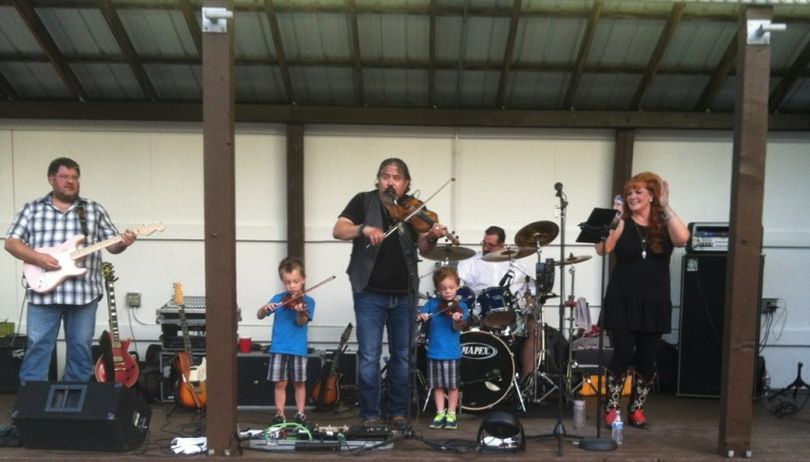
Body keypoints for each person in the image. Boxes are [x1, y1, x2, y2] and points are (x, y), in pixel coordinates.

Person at [332, 158, 447, 430]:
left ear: (406, 183)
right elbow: (338, 229)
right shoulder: (363, 201)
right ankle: (370, 414)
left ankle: (398, 413)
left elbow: (425, 249)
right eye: (385, 176)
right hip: (369, 291)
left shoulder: (413, 209)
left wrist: (431, 236)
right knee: (370, 355)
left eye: (397, 177)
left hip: (404, 293)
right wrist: (363, 229)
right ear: (378, 179)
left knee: (403, 356)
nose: (390, 181)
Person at [4, 157, 138, 383]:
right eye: (64, 177)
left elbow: (113, 246)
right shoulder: (32, 209)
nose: (70, 182)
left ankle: (76, 400)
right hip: (43, 291)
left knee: (81, 347)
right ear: (51, 179)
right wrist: (39, 258)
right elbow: (11, 243)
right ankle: (32, 403)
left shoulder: (93, 210)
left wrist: (123, 242)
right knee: (38, 345)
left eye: (75, 177)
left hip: (83, 293)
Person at [595, 172, 689, 429]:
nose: (633, 197)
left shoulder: (663, 225)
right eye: (629, 193)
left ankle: (636, 409)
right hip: (623, 300)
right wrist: (614, 220)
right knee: (623, 353)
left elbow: (682, 239)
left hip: (654, 301)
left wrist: (666, 206)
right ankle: (612, 408)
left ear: (651, 195)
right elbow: (603, 248)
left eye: (638, 192)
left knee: (647, 358)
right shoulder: (624, 222)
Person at [456, 226, 538, 379]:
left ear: (502, 245)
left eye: (490, 245)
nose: (485, 247)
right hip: (478, 313)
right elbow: (457, 288)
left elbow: (532, 290)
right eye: (484, 243)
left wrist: (529, 303)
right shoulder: (471, 261)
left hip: (512, 313)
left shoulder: (517, 264)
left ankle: (527, 381)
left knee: (534, 329)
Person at [256, 256, 315, 427]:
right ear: (283, 282)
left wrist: (300, 311)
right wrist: (265, 308)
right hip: (279, 347)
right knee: (280, 383)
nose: (292, 286)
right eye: (288, 282)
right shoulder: (278, 298)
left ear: (303, 280)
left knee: (299, 382)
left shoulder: (308, 302)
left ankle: (300, 413)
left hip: (297, 348)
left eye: (296, 281)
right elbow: (259, 315)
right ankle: (280, 414)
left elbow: (301, 322)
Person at [417, 266, 468, 430]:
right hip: (434, 351)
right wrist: (422, 316)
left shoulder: (461, 307)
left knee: (453, 386)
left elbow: (456, 328)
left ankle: (451, 413)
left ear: (458, 286)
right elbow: (419, 316)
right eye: (443, 289)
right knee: (437, 386)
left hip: (451, 352)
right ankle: (440, 412)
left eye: (451, 288)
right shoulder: (432, 304)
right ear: (438, 289)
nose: (447, 292)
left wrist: (456, 318)